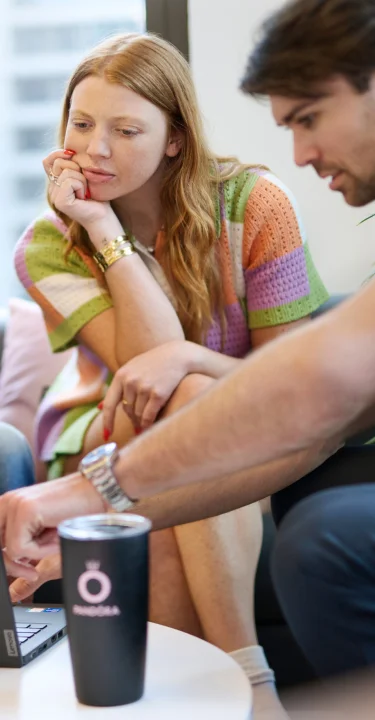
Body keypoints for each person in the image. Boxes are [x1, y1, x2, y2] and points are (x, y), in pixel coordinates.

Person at [4, 0, 375, 682]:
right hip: (104, 422)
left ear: (174, 138)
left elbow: (286, 377)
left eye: (125, 129)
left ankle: (212, 690)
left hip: (217, 420)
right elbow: (145, 366)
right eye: (80, 125)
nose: (95, 150)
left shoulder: (253, 204)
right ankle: (249, 681)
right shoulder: (50, 245)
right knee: (177, 393)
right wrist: (99, 227)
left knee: (189, 391)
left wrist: (190, 357)